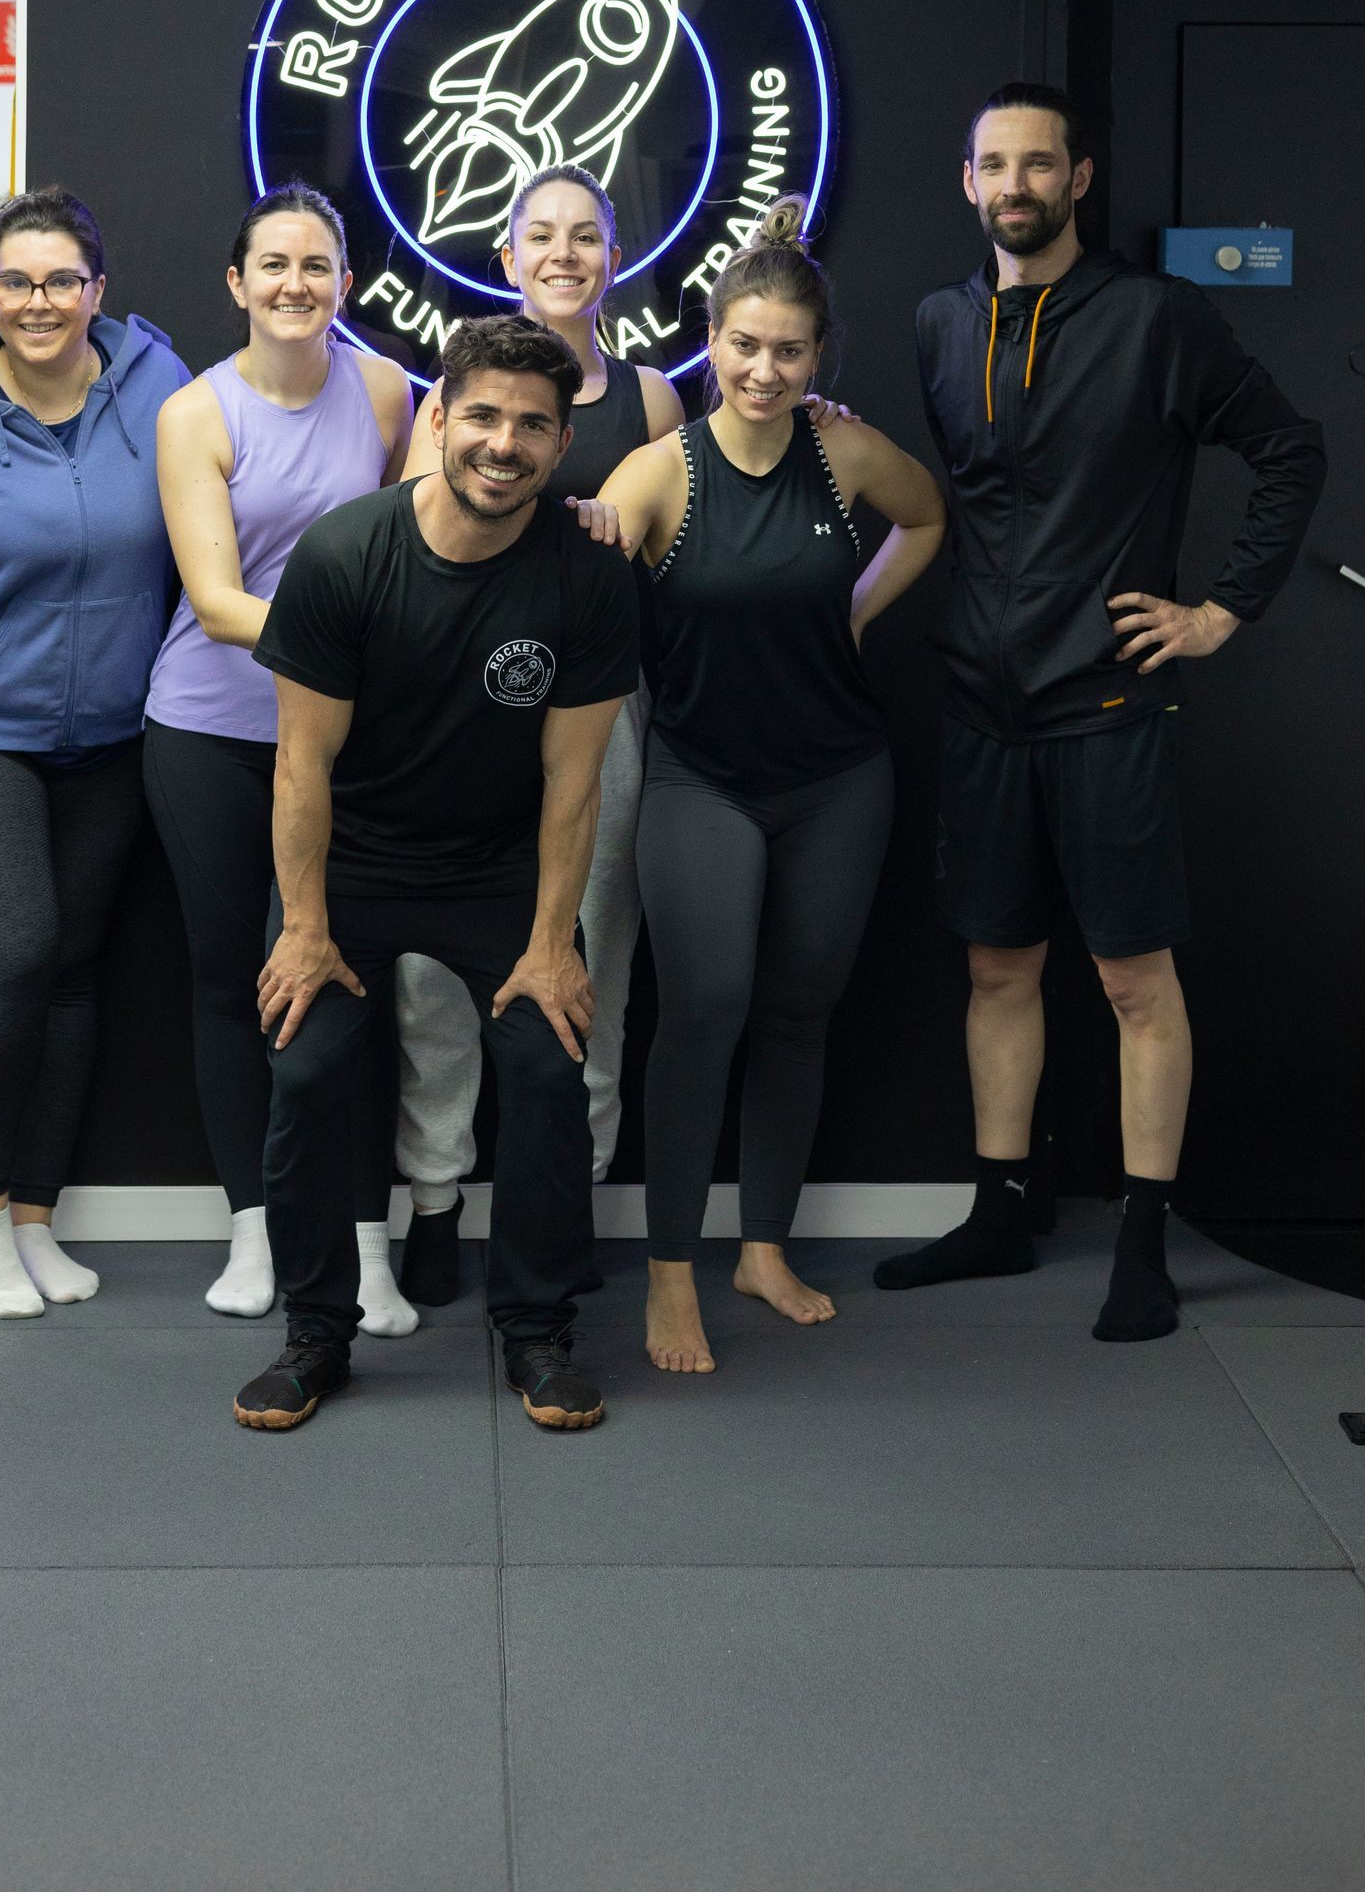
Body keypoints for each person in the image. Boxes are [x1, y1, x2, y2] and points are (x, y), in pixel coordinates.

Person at [875, 82, 1326, 1341]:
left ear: (1078, 179)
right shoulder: (936, 322)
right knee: (996, 963)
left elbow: (1290, 450)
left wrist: (1218, 612)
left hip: (1112, 698)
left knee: (1133, 979)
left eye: (1038, 164)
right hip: (976, 695)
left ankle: (1143, 1238)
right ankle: (999, 1212)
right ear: (968, 184)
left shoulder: (1158, 319)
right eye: (992, 166)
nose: (1013, 185)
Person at [234, 313, 640, 1433]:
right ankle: (316, 1332)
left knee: (553, 1067)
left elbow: (575, 785)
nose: (503, 444)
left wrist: (554, 941)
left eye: (533, 426)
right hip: (353, 862)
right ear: (440, 418)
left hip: (501, 868)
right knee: (308, 1069)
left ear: (562, 448)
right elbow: (301, 767)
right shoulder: (344, 554)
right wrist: (305, 930)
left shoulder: (589, 580)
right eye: (485, 417)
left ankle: (537, 1332)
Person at [581, 199, 945, 1374]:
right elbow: (572, 587)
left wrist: (854, 612)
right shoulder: (657, 474)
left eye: (790, 350)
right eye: (746, 344)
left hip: (839, 778)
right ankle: (673, 1273)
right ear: (713, 336)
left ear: (816, 357)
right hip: (705, 782)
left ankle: (765, 1246)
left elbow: (930, 515)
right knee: (704, 1011)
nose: (765, 369)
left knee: (799, 1012)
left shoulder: (842, 452)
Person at [0, 186, 189, 1320]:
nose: (40, 301)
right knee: (14, 952)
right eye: (16, 281)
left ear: (98, 289)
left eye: (62, 280)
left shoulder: (161, 384)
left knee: (70, 973)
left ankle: (34, 1216)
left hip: (109, 736)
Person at [393, 163, 684, 1303]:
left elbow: (680, 542)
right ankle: (430, 1198)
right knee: (432, 972)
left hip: (602, 710)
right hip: (464, 712)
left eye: (586, 237)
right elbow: (426, 530)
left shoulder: (653, 398)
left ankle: (558, 1206)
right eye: (541, 237)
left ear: (613, 258)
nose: (564, 254)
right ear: (508, 256)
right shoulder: (455, 390)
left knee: (589, 957)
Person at [142, 182, 412, 1329]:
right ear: (237, 283)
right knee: (226, 985)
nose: (296, 284)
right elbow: (214, 604)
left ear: (345, 280)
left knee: (345, 988)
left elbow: (432, 547)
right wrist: (351, 642)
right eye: (274, 265)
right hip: (209, 730)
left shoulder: (394, 392)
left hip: (351, 744)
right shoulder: (195, 416)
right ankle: (255, 1233)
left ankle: (365, 1249)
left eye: (318, 264)